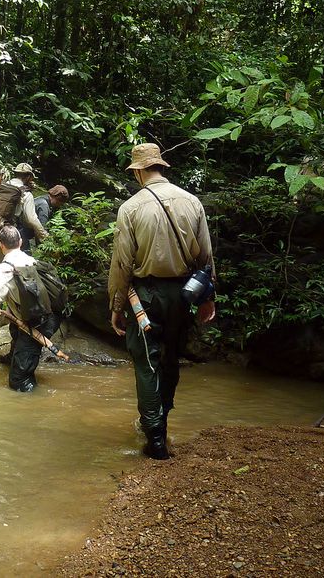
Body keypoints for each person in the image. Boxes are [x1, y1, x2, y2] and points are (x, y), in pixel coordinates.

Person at [108, 143, 216, 460]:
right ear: (161, 167)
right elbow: (206, 258)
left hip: (145, 296)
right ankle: (162, 420)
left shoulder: (130, 208)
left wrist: (116, 307)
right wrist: (209, 299)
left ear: (138, 171)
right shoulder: (192, 202)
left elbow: (122, 265)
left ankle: (155, 437)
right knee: (171, 359)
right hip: (184, 294)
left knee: (146, 363)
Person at [0, 225, 56, 392]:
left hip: (36, 323)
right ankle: (14, 355)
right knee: (14, 321)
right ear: (20, 242)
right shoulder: (31, 260)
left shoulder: (5, 269)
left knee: (19, 381)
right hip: (50, 313)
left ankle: (31, 407)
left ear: (1, 245)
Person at [0, 163, 48, 294]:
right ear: (29, 177)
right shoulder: (26, 194)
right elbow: (31, 219)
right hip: (3, 234)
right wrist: (44, 236)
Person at [20, 184, 69, 250]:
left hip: (20, 229)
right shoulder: (44, 205)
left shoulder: (41, 198)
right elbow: (41, 229)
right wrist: (43, 248)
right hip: (22, 232)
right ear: (56, 199)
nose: (59, 206)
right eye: (60, 203)